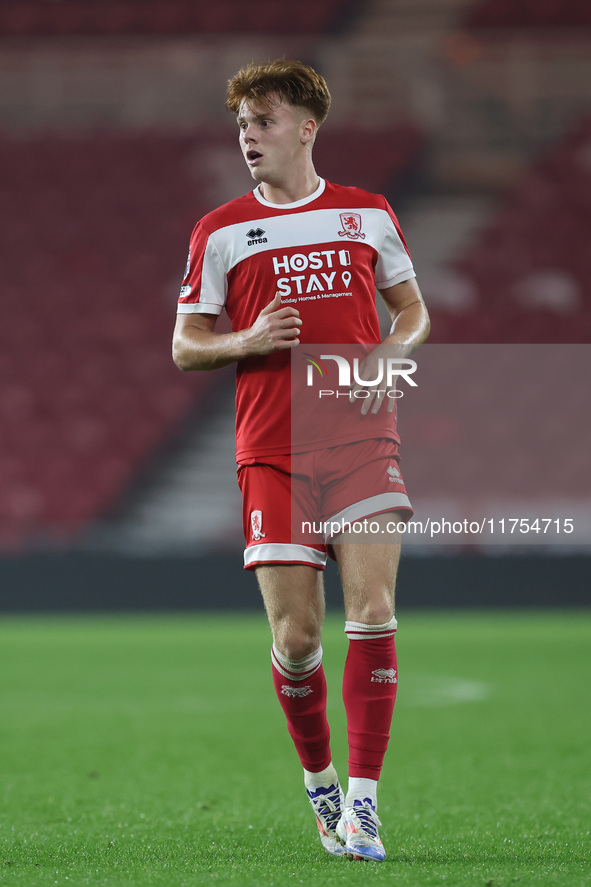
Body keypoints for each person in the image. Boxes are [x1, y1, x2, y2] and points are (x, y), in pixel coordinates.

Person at [172, 59, 430, 861]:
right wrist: (245, 340)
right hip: (273, 447)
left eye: (264, 121)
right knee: (294, 638)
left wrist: (390, 355)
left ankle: (363, 804)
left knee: (375, 612)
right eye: (242, 124)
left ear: (306, 127)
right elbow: (185, 345)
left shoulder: (366, 213)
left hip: (361, 437)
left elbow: (413, 312)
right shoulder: (219, 229)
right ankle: (319, 781)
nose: (248, 136)